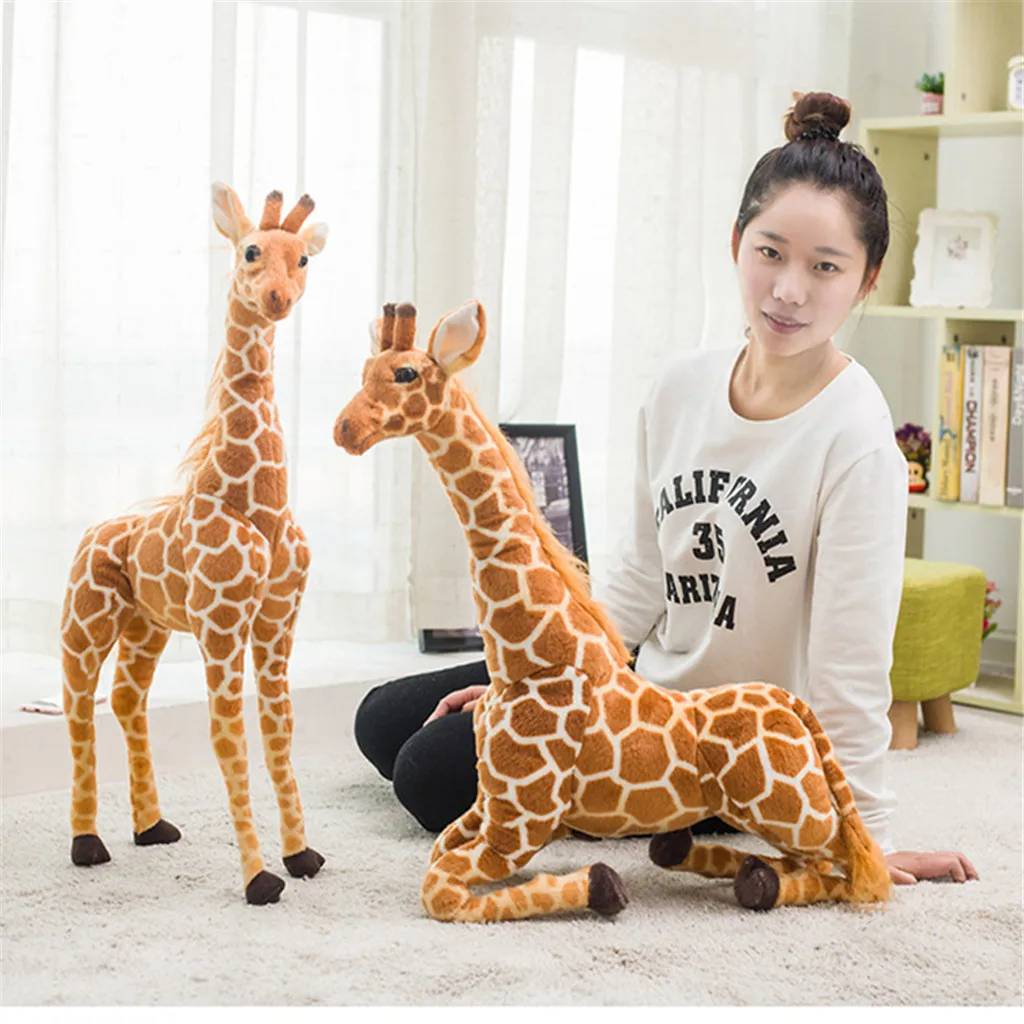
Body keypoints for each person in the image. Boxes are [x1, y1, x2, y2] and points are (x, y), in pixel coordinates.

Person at [354, 91, 978, 888]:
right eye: (771, 252)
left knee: (426, 773)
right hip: (634, 689)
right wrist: (536, 684)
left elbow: (850, 663)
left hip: (724, 743)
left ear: (866, 280)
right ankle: (566, 753)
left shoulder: (857, 442)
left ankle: (644, 797)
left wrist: (864, 836)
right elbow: (641, 577)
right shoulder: (681, 387)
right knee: (382, 720)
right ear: (736, 243)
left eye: (826, 267)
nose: (789, 290)